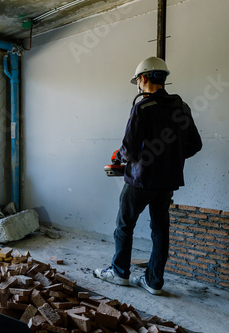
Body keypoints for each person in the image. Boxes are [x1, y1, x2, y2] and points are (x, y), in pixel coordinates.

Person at [94, 57, 202, 295]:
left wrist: (120, 156)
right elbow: (195, 144)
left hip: (140, 181)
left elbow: (130, 150)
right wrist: (171, 157)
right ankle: (154, 282)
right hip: (167, 182)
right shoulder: (182, 107)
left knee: (124, 226)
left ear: (143, 78)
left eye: (139, 81)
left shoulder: (142, 107)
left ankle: (120, 273)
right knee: (160, 230)